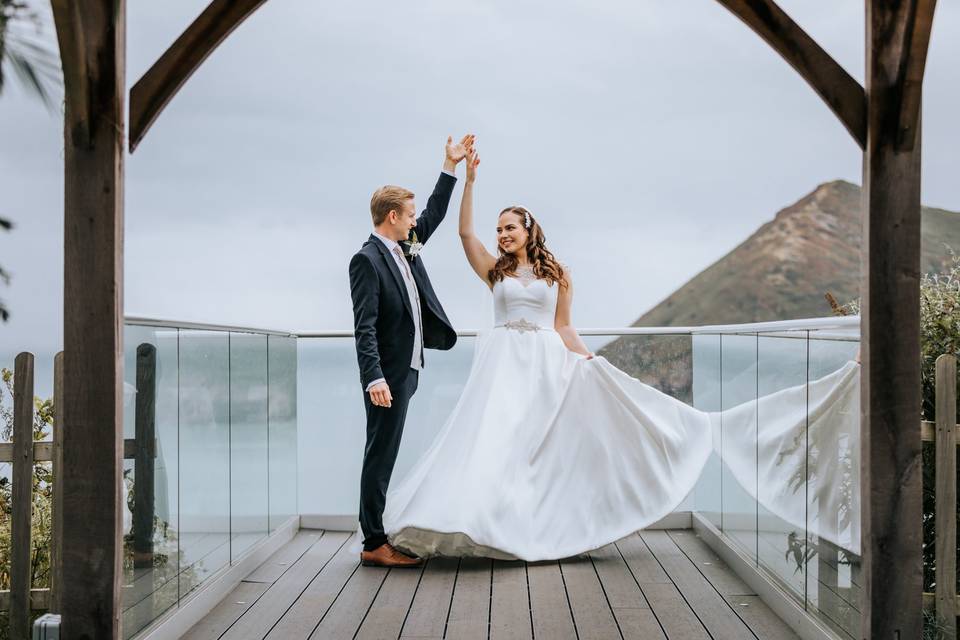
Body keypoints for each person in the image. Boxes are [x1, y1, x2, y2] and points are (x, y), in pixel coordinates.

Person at [374, 147, 862, 562]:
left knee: (535, 451)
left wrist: (589, 362)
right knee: (496, 442)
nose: (501, 235)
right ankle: (479, 524)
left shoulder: (557, 274)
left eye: (510, 228)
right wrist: (470, 179)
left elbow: (563, 326)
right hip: (502, 369)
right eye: (499, 229)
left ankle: (520, 529)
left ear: (529, 231)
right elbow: (463, 236)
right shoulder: (494, 273)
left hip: (546, 366)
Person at [348, 134, 474, 567]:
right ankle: (373, 543)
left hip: (410, 369)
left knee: (386, 450)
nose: (415, 220)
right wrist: (375, 378)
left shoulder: (406, 246)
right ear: (392, 216)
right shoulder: (367, 260)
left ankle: (375, 536)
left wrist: (449, 166)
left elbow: (435, 215)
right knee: (379, 454)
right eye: (409, 215)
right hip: (388, 377)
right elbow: (363, 327)